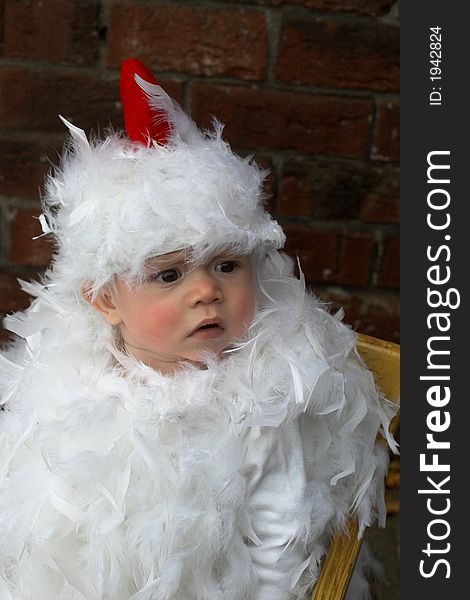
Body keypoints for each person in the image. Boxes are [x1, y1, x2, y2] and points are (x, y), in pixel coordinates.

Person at [0, 59, 397, 599]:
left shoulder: (261, 401)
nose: (206, 290)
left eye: (227, 265)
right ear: (104, 299)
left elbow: (282, 544)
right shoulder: (70, 379)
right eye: (168, 274)